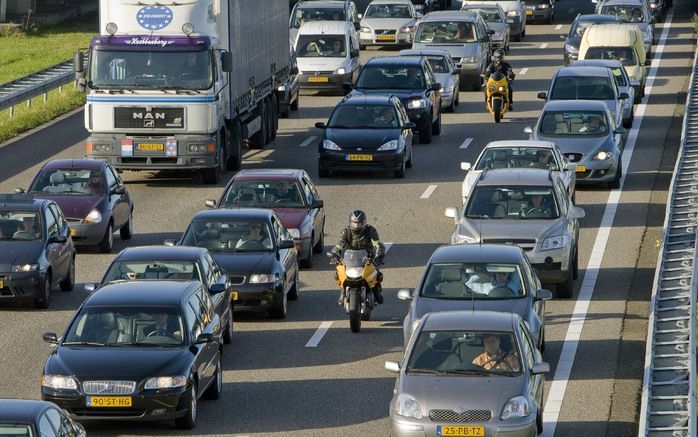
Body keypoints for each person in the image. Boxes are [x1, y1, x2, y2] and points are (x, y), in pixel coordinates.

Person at [329, 210, 386, 304]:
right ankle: (343, 292)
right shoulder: (346, 232)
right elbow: (339, 245)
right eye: (354, 223)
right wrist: (334, 253)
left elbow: (377, 243)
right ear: (350, 223)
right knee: (339, 272)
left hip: (367, 257)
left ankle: (376, 293)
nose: (356, 226)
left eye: (358, 223)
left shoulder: (370, 230)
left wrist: (379, 255)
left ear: (363, 223)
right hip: (350, 258)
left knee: (377, 274)